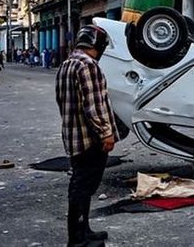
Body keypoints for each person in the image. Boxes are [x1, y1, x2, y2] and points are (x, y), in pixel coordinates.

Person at [55, 25, 119, 246]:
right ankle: (77, 240)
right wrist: (106, 134)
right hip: (89, 139)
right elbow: (93, 106)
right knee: (83, 187)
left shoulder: (66, 64)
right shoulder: (88, 65)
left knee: (80, 185)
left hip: (73, 135)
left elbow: (62, 101)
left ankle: (84, 231)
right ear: (97, 45)